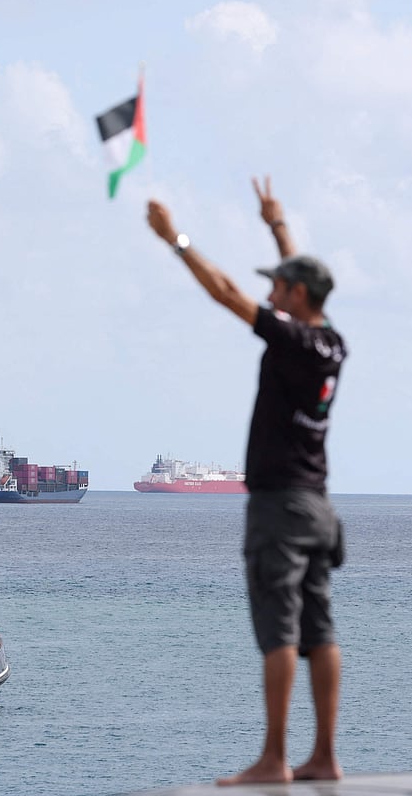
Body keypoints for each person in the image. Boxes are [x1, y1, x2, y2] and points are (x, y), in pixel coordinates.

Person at [146, 177, 346, 785]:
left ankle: (275, 759)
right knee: (320, 627)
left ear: (296, 294)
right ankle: (325, 756)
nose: (268, 290)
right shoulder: (331, 341)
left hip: (280, 507)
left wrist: (175, 240)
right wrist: (276, 223)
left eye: (278, 285)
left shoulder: (288, 337)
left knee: (280, 631)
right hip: (318, 505)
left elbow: (226, 292)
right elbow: (298, 283)